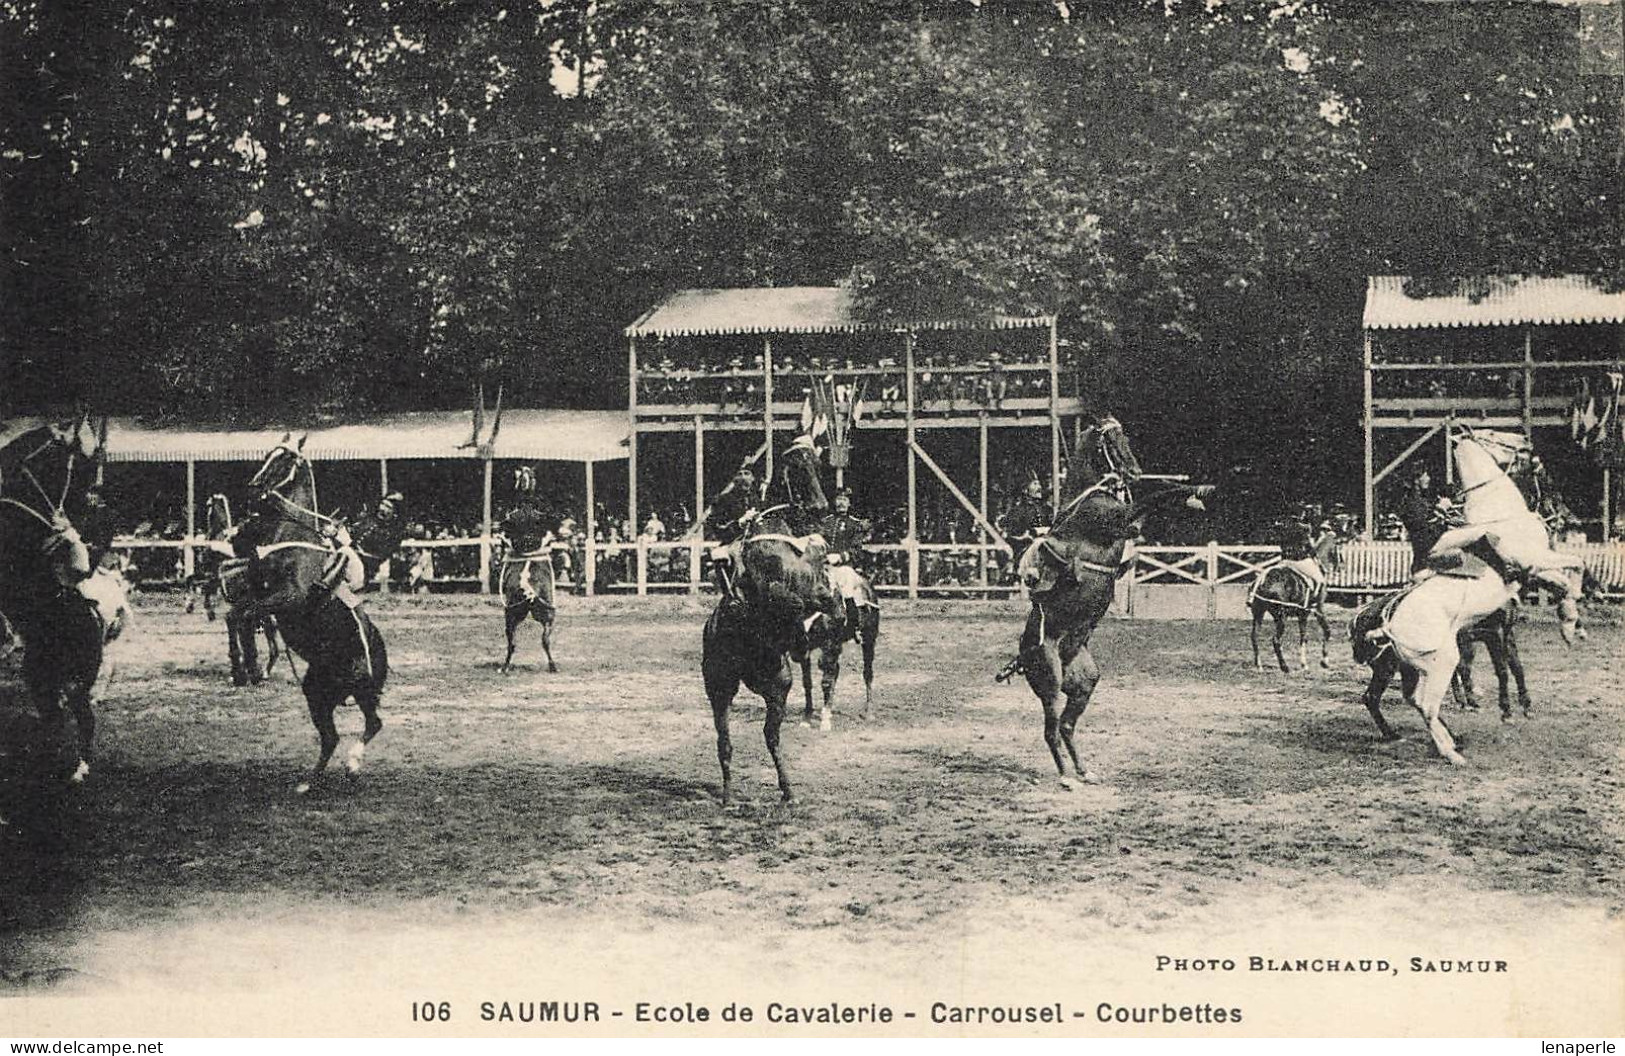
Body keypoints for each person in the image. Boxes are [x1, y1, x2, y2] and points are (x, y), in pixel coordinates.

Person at [705, 468, 759, 596]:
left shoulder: (759, 500)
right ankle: (731, 596)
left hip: (759, 540)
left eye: (747, 474)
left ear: (753, 478)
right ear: (734, 479)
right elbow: (715, 525)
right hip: (734, 541)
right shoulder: (723, 500)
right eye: (739, 474)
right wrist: (739, 523)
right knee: (720, 555)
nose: (743, 477)